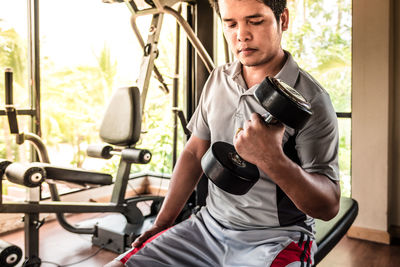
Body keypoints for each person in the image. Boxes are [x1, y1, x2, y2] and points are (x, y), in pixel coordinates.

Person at [105, 0, 340, 266]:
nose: (241, 35)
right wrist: (163, 223)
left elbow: (328, 205)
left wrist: (272, 160)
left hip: (275, 239)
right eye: (230, 23)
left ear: (282, 20)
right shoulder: (218, 79)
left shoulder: (313, 100)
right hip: (206, 227)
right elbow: (195, 153)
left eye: (255, 21)